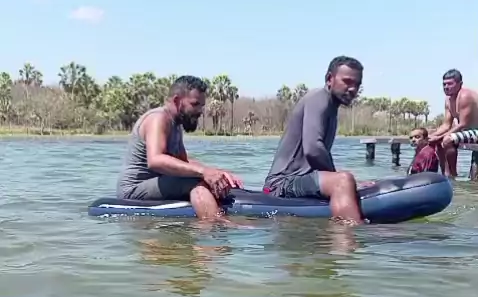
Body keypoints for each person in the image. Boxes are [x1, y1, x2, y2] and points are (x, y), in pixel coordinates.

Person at [116, 75, 243, 219]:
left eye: (202, 106)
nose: (200, 111)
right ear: (177, 101)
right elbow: (155, 160)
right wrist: (203, 172)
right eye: (195, 104)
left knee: (200, 177)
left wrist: (216, 173)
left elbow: (183, 161)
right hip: (134, 189)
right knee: (194, 181)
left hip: (160, 183)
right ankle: (215, 225)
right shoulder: (158, 118)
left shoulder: (176, 124)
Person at [263, 56, 366, 223]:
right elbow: (313, 149)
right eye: (347, 81)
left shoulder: (331, 108)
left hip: (301, 179)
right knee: (343, 180)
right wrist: (340, 179)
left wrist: (353, 183)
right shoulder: (319, 98)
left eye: (357, 84)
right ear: (329, 79)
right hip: (281, 184)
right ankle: (349, 236)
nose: (353, 89)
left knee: (347, 180)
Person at [428, 69, 478, 178]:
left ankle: (454, 175)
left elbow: (463, 124)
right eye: (444, 84)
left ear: (460, 84)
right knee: (436, 140)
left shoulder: (465, 96)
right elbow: (446, 125)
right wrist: (432, 136)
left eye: (450, 84)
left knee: (447, 140)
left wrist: (440, 137)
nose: (446, 87)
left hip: (476, 131)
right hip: (467, 132)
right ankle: (446, 174)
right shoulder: (448, 100)